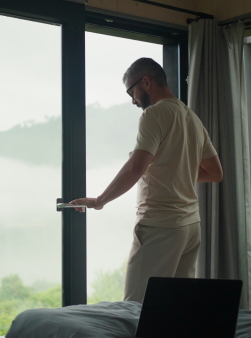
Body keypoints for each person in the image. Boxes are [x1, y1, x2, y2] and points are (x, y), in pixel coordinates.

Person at [71, 57, 223, 303]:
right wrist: (176, 168)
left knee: (136, 307)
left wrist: (100, 200)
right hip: (190, 226)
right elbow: (215, 172)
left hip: (160, 225)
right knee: (175, 308)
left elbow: (136, 167)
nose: (132, 100)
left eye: (132, 91)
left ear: (146, 82)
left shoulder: (154, 114)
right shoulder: (191, 118)